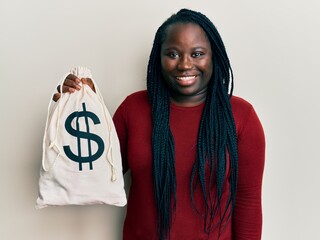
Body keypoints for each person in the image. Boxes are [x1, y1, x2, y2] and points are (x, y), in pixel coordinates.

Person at [54, 8, 265, 240]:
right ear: (159, 57)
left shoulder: (240, 116)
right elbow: (95, 175)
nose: (185, 65)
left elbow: (248, 201)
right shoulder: (133, 109)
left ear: (214, 57)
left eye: (197, 54)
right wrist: (76, 109)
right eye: (173, 54)